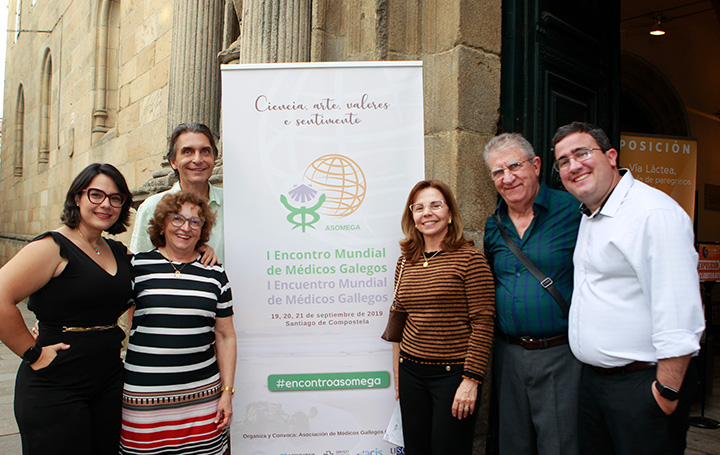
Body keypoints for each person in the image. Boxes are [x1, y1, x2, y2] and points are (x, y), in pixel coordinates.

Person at [552, 121, 705, 455]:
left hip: (641, 386)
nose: (573, 165)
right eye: (563, 161)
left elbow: (678, 311)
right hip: (595, 383)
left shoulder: (653, 213)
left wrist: (665, 392)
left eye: (582, 153)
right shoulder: (590, 215)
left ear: (610, 156)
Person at [0, 163, 134, 454]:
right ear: (77, 197)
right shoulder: (52, 247)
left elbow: (163, 266)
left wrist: (201, 249)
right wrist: (31, 352)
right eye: (96, 195)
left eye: (115, 198)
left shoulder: (119, 252)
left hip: (109, 380)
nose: (106, 205)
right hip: (55, 384)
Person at [483, 133, 582, 455]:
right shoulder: (493, 225)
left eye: (514, 166)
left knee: (560, 445)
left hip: (559, 354)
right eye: (498, 172)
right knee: (513, 445)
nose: (507, 178)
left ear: (536, 165)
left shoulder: (574, 212)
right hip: (508, 356)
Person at [120, 190, 236, 455]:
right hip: (144, 400)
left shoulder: (215, 273)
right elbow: (102, 310)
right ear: (162, 223)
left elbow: (226, 336)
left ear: (203, 230)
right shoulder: (136, 267)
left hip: (202, 400)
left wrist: (227, 393)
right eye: (177, 219)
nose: (186, 227)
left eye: (195, 221)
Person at [391, 180, 495, 454]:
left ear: (449, 214)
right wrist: (399, 376)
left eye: (436, 205)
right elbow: (399, 320)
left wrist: (471, 380)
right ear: (412, 216)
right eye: (419, 207)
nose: (427, 213)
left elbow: (484, 323)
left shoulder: (470, 259)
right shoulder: (405, 262)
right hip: (411, 373)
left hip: (452, 378)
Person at [131, 122, 225, 262]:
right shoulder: (152, 207)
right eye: (188, 152)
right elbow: (139, 263)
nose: (197, 159)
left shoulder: (231, 203)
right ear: (173, 161)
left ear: (214, 158)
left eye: (205, 151)